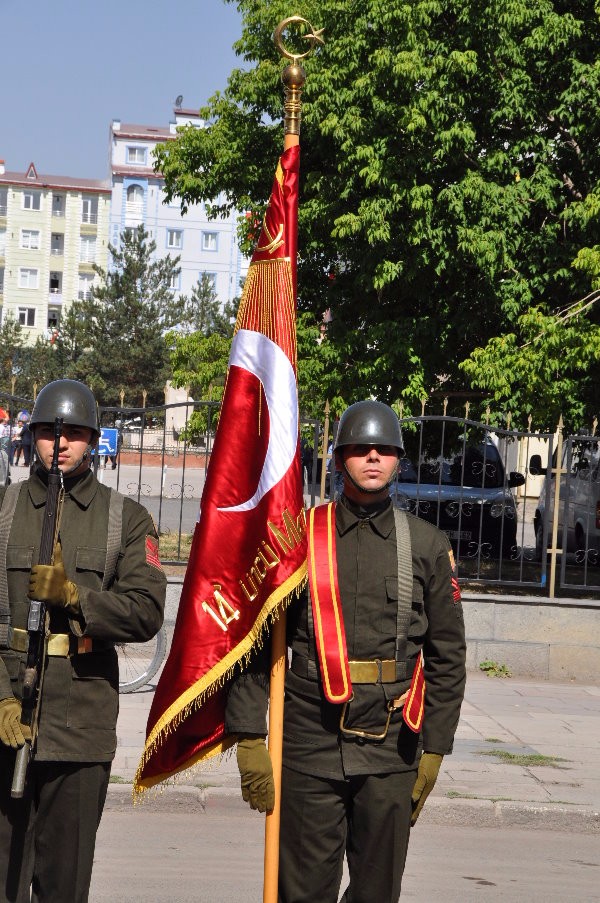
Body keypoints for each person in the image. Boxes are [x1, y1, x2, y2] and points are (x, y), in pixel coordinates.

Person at [225, 400, 466, 903]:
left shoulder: (427, 545)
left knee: (378, 892)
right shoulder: (297, 538)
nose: (373, 457)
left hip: (392, 744)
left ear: (398, 460)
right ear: (338, 460)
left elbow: (447, 657)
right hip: (309, 739)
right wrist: (249, 733)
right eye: (360, 448)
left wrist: (435, 748)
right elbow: (256, 641)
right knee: (302, 891)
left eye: (384, 449)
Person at [0, 379, 166, 903]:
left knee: (65, 885)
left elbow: (146, 612)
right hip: (8, 719)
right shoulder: (3, 510)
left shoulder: (126, 519)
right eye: (50, 432)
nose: (61, 443)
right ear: (32, 436)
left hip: (81, 726)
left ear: (93, 439)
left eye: (74, 432)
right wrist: (1, 696)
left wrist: (76, 598)